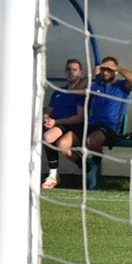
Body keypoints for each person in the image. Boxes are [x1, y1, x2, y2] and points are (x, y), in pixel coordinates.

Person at [57, 56, 132, 190]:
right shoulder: (96, 86)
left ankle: (95, 162)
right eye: (103, 69)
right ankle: (88, 166)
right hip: (91, 124)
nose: (105, 72)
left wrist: (117, 68)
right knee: (62, 144)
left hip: (109, 127)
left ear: (115, 72)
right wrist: (92, 74)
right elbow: (75, 91)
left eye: (109, 69)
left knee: (91, 141)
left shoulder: (122, 86)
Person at [41, 59, 86, 189]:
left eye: (74, 70)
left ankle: (53, 175)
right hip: (56, 124)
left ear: (80, 73)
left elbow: (79, 118)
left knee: (47, 137)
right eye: (68, 69)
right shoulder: (58, 92)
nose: (70, 72)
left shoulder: (80, 94)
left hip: (72, 126)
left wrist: (55, 122)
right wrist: (46, 118)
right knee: (35, 133)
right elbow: (49, 111)